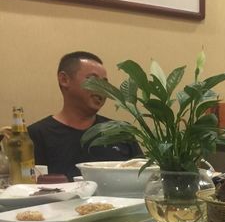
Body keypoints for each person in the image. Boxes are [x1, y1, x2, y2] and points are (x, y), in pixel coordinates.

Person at [28, 51, 141, 181]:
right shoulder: (36, 135)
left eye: (105, 83)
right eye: (93, 80)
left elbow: (145, 179)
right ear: (64, 80)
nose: (102, 89)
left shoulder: (120, 131)